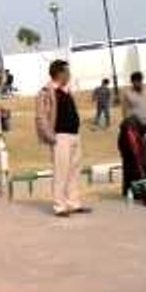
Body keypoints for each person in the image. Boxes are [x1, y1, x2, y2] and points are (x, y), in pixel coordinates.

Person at [35, 59, 90, 218]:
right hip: (60, 136)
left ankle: (73, 203)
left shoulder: (66, 90)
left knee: (73, 171)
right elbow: (41, 117)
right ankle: (59, 206)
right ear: (60, 73)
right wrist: (50, 137)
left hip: (74, 135)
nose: (69, 75)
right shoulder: (46, 92)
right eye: (67, 71)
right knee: (61, 172)